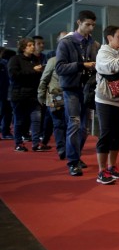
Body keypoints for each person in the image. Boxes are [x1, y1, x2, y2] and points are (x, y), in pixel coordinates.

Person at [56, 10, 100, 176]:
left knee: (85, 129)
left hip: (88, 90)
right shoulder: (65, 43)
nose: (90, 28)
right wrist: (82, 65)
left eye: (93, 25)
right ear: (79, 23)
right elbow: (60, 68)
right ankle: (73, 162)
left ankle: (76, 155)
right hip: (71, 90)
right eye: (87, 24)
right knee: (74, 125)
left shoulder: (94, 44)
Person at [94, 26, 119, 185]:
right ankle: (101, 171)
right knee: (106, 135)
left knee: (118, 136)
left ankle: (112, 166)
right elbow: (110, 67)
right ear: (109, 37)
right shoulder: (103, 53)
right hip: (105, 101)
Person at [8, 38, 45, 152]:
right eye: (30, 45)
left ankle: (35, 143)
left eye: (33, 45)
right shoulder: (15, 59)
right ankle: (18, 143)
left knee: (36, 119)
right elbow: (14, 75)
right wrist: (33, 71)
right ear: (23, 47)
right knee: (19, 120)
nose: (33, 47)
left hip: (33, 94)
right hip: (19, 94)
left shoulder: (35, 59)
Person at [38, 33, 69, 159]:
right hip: (57, 96)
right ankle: (62, 148)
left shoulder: (56, 60)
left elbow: (44, 80)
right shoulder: (53, 60)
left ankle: (63, 148)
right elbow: (44, 80)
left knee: (63, 124)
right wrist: (41, 96)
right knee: (59, 123)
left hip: (65, 96)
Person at [33, 35, 53, 150]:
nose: (42, 45)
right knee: (36, 116)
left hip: (44, 91)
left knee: (44, 115)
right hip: (32, 91)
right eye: (38, 43)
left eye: (43, 43)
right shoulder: (26, 59)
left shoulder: (46, 57)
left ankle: (42, 138)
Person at [0, 47, 16, 140]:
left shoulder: (4, 64)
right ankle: (5, 132)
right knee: (4, 112)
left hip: (6, 91)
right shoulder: (4, 64)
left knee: (6, 112)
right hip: (4, 92)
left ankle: (6, 131)